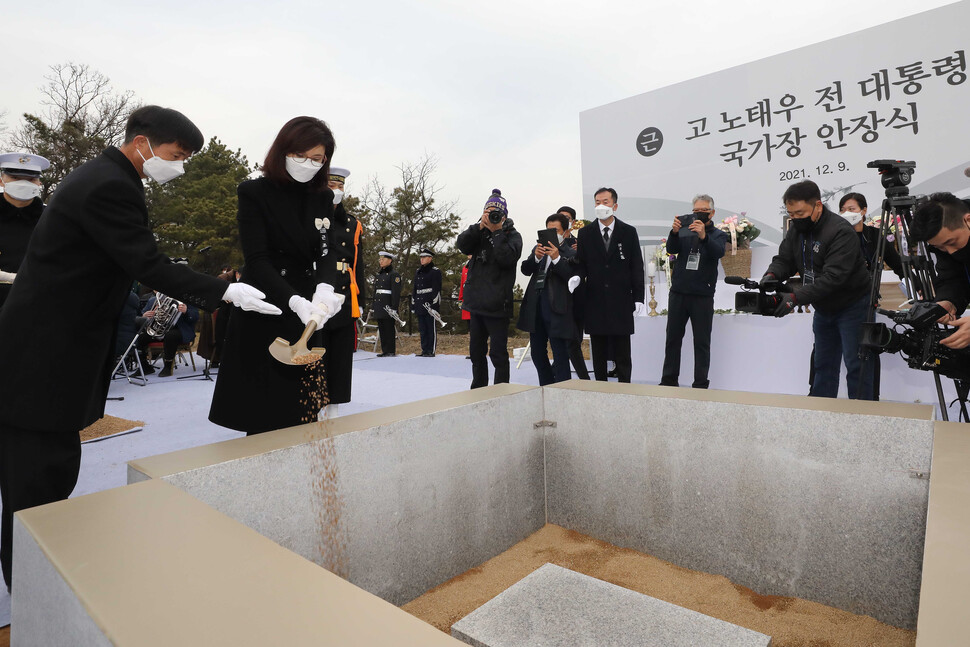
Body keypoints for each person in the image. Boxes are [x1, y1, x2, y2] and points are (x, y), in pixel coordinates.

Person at [0, 105, 278, 591]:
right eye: (178, 155)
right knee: (35, 476)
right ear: (143, 143)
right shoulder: (109, 185)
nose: (181, 166)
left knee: (53, 459)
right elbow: (146, 261)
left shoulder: (109, 177)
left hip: (57, 346)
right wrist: (223, 291)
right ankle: (32, 587)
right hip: (45, 351)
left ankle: (42, 571)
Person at [209, 117, 351, 435]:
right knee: (263, 413)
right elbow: (257, 259)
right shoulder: (254, 192)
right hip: (266, 303)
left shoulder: (322, 199)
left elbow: (327, 250)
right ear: (284, 150)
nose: (308, 164)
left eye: (318, 159)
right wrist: (294, 300)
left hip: (307, 308)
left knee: (303, 410)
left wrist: (326, 287)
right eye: (301, 155)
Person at [761, 180, 873, 399]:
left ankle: (863, 418)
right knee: (822, 364)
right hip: (824, 307)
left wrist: (795, 297)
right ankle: (820, 413)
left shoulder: (841, 232)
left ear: (818, 206)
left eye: (800, 213)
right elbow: (785, 259)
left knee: (857, 365)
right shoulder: (796, 230)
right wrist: (772, 275)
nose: (795, 218)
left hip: (853, 305)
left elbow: (833, 278)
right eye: (791, 213)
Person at [573, 187, 645, 382]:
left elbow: (636, 267)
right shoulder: (585, 233)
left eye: (605, 201)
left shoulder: (628, 232)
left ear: (615, 205)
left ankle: (624, 388)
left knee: (622, 351)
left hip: (621, 299)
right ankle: (601, 390)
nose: (601, 206)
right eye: (597, 202)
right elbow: (581, 264)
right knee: (598, 351)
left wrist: (638, 297)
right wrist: (577, 278)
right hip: (595, 300)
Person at [456, 189, 523, 388]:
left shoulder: (513, 236)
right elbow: (462, 245)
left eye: (496, 212)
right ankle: (478, 390)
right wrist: (479, 227)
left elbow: (506, 259)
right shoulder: (478, 233)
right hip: (476, 305)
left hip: (497, 306)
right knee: (476, 353)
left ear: (505, 215)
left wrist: (497, 232)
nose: (492, 215)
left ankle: (500, 391)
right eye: (488, 211)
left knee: (498, 354)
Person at [660, 194, 727, 389]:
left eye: (703, 211)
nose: (698, 214)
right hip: (679, 292)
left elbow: (718, 252)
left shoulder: (718, 234)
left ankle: (700, 383)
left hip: (702, 295)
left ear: (712, 213)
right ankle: (669, 380)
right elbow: (672, 250)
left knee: (702, 342)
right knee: (672, 339)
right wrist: (673, 232)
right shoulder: (685, 229)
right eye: (695, 210)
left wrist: (704, 236)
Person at [323, 166, 366, 412]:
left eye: (340, 187)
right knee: (319, 348)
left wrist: (360, 297)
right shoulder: (311, 217)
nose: (336, 191)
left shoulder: (353, 224)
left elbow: (358, 262)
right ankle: (315, 401)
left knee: (341, 353)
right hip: (317, 291)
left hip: (344, 292)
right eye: (331, 186)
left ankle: (335, 403)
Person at [518, 214, 577, 385]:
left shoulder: (571, 252)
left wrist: (557, 258)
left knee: (560, 354)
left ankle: (563, 389)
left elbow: (571, 275)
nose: (551, 233)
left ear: (565, 232)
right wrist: (536, 257)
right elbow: (525, 269)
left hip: (558, 309)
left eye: (556, 230)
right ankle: (546, 385)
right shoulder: (539, 249)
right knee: (537, 353)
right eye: (548, 230)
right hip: (536, 307)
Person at [909, 192, 970, 350]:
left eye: (951, 242)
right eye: (940, 247)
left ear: (968, 220)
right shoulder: (948, 245)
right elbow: (952, 278)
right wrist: (949, 301)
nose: (949, 251)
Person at [0, 152, 50, 310]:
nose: (23, 183)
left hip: (34, 306)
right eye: (15, 178)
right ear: (2, 180)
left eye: (30, 179)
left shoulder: (52, 218)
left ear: (39, 183)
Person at [557, 205, 590, 380]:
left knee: (574, 340)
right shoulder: (551, 244)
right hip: (559, 299)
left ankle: (560, 373)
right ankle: (583, 378)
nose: (563, 220)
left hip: (578, 298)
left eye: (567, 217)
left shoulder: (580, 243)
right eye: (560, 216)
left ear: (573, 222)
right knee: (568, 342)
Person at [838, 193, 904, 279]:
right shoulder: (837, 236)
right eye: (842, 210)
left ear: (863, 210)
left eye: (851, 209)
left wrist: (917, 286)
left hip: (870, 288)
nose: (846, 213)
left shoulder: (874, 234)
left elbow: (897, 264)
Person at [135, 291, 200, 377]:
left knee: (170, 336)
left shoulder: (186, 299)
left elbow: (195, 316)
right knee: (139, 337)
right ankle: (144, 366)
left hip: (180, 330)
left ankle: (168, 367)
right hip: (158, 329)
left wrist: (186, 311)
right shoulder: (153, 300)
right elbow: (140, 317)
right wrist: (144, 316)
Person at [412, 248, 442, 357]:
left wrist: (434, 306)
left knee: (430, 328)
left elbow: (436, 289)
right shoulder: (418, 271)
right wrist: (414, 303)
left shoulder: (435, 271)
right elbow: (415, 288)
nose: (422, 259)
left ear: (430, 258)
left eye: (424, 257)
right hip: (420, 302)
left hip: (429, 303)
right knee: (423, 329)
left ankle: (431, 350)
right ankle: (424, 350)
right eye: (421, 257)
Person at [371, 250, 402, 357]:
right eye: (380, 259)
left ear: (389, 260)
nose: (381, 261)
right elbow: (375, 291)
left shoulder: (394, 275)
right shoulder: (379, 274)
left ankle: (391, 350)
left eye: (383, 259)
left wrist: (394, 307)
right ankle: (385, 350)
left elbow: (396, 293)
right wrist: (373, 306)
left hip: (388, 305)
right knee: (382, 328)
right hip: (379, 305)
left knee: (389, 328)